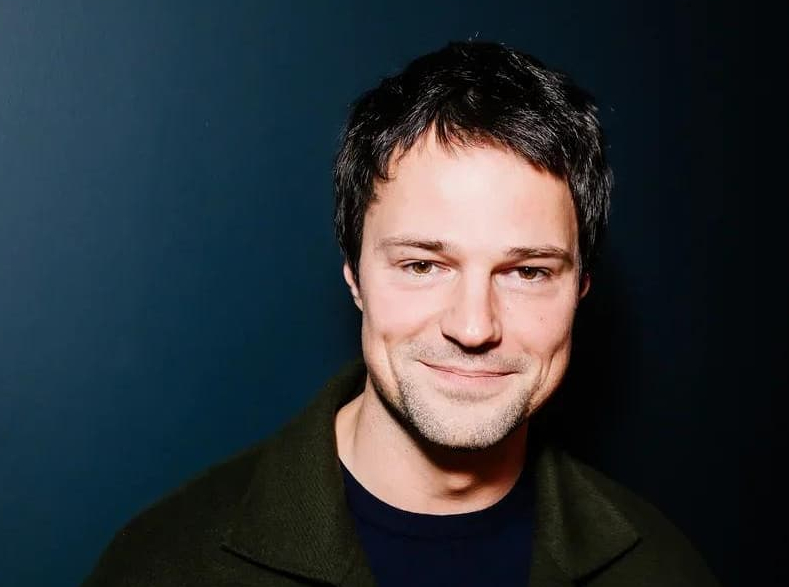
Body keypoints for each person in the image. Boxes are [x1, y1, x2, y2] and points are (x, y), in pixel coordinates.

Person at [82, 41, 721, 586]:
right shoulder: (165, 566)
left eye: (527, 272)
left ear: (580, 289)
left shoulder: (663, 571)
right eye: (422, 265)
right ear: (355, 278)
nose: (474, 327)